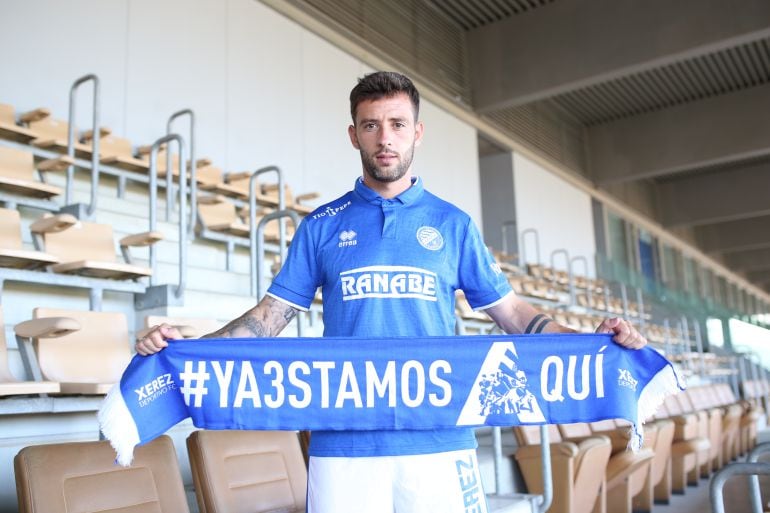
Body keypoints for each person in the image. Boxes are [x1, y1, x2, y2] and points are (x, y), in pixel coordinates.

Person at [137, 71, 647, 513]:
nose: (385, 138)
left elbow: (512, 313)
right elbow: (269, 318)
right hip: (345, 441)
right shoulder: (322, 225)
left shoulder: (453, 224)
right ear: (353, 135)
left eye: (398, 125)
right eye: (371, 125)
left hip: (440, 436)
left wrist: (588, 341)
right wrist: (187, 348)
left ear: (417, 133)